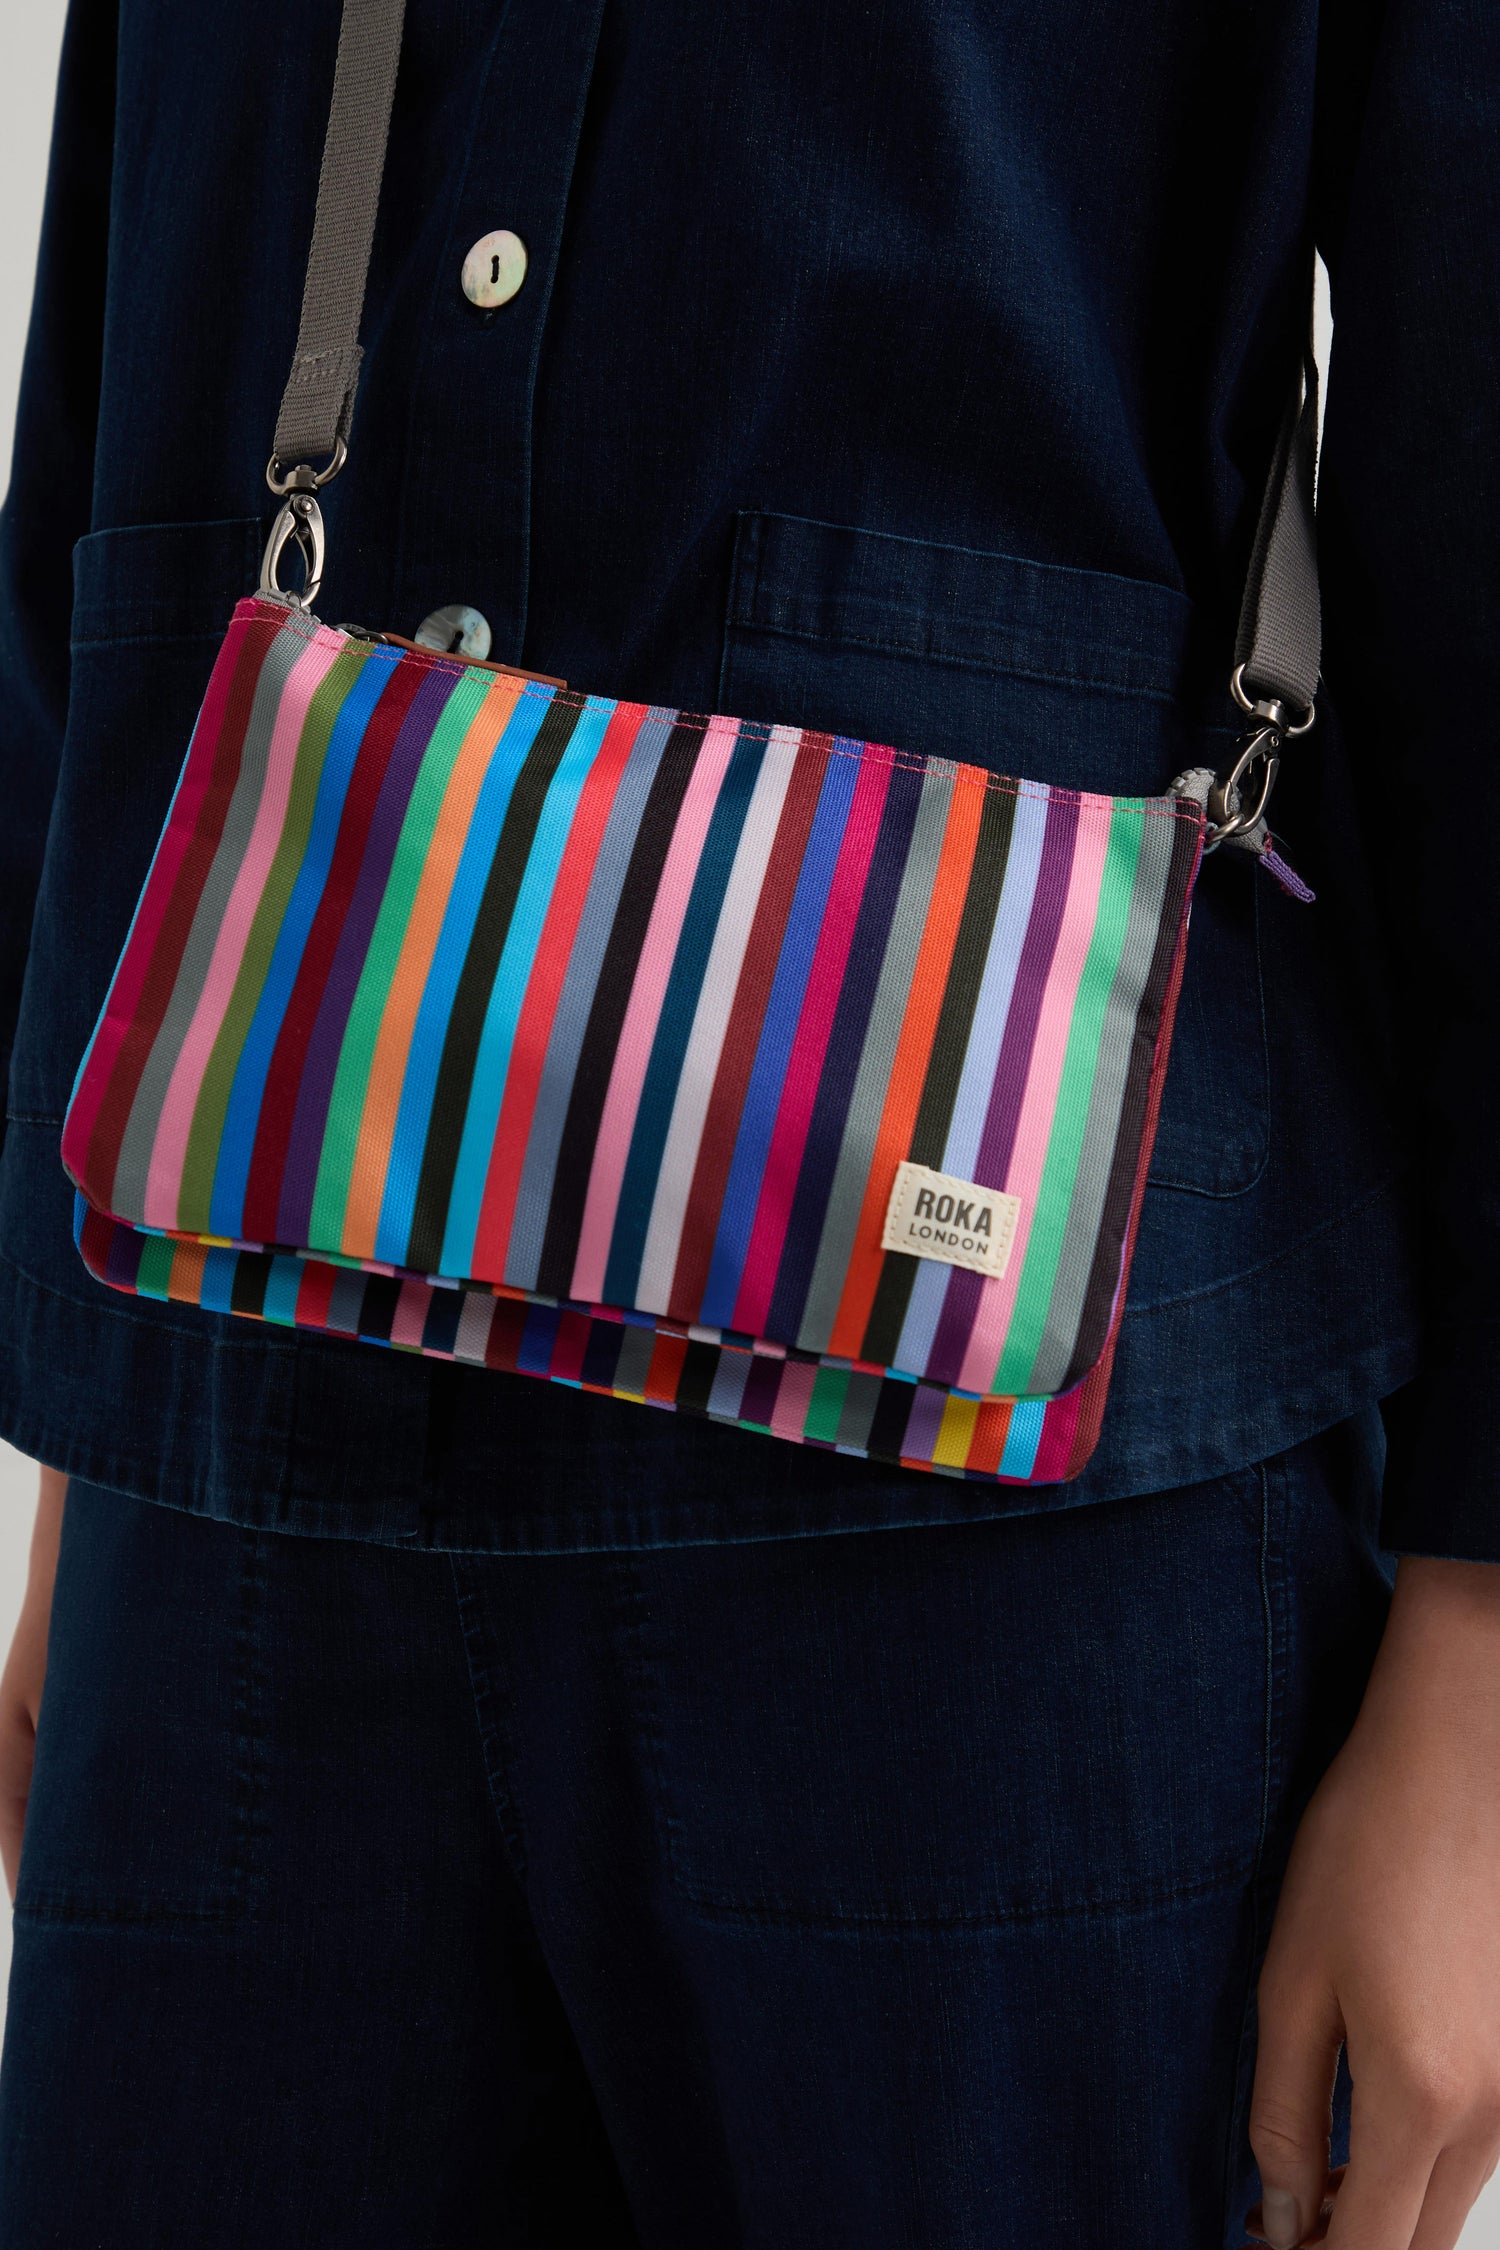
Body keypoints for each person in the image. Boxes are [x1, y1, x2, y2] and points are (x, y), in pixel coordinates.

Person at [0, 0, 1496, 2243]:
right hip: (239, 1465)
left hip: (1013, 1535)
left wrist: (1486, 1650)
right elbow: (127, 304)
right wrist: (89, 1391)